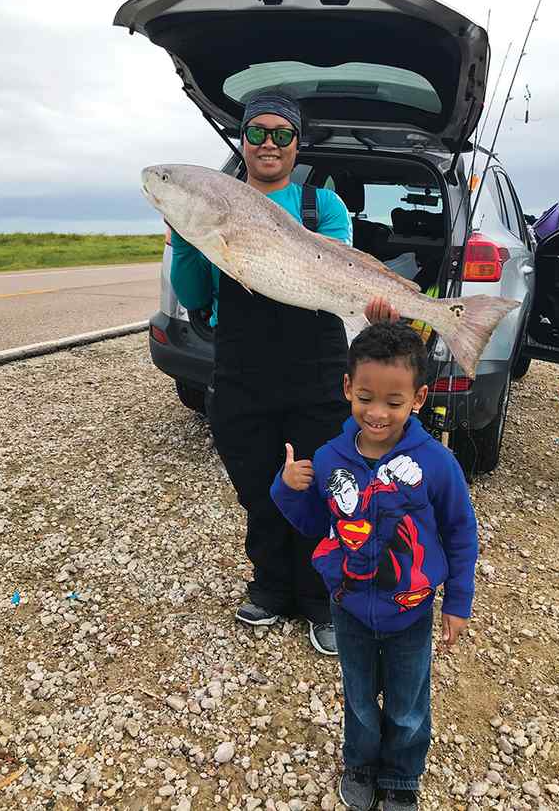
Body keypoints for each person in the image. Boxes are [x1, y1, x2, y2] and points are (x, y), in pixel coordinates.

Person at [170, 90, 397, 656]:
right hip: (241, 372)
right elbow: (194, 296)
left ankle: (320, 598)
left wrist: (372, 303)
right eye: (256, 132)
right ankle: (270, 587)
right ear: (242, 140)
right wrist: (187, 240)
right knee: (258, 487)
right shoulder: (211, 208)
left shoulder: (324, 207)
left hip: (315, 372)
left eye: (281, 133)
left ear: (297, 143)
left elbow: (338, 279)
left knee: (321, 485)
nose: (268, 144)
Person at [271, 322, 478, 810]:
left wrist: (458, 602)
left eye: (394, 401)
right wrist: (286, 486)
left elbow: (460, 532)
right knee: (359, 700)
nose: (377, 413)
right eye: (365, 398)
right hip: (348, 607)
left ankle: (403, 776)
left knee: (408, 704)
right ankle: (360, 764)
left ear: (418, 398)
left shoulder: (437, 463)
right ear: (348, 388)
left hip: (411, 611)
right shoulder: (330, 459)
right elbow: (313, 523)